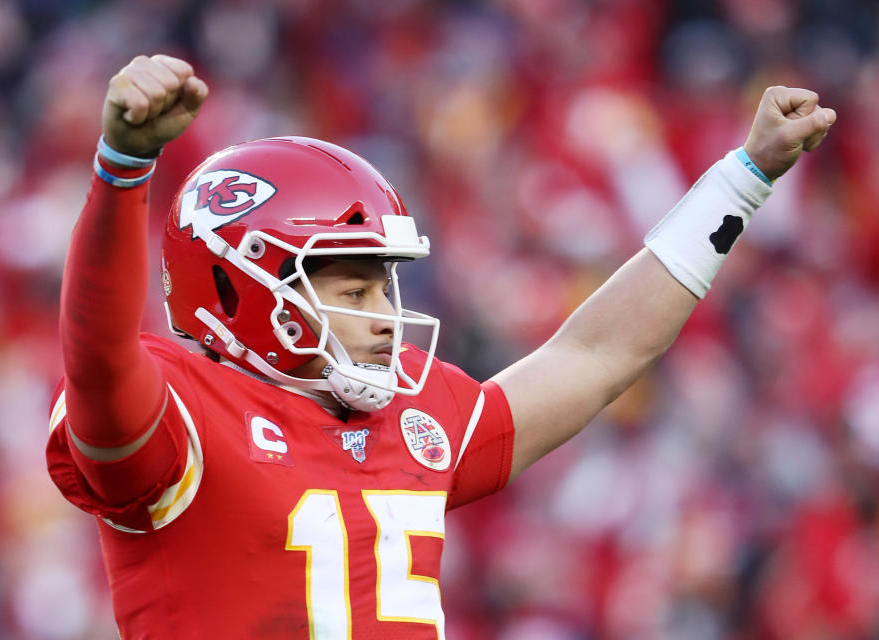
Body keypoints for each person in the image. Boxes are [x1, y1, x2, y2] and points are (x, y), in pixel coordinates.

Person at [46, 54, 836, 639]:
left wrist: (743, 179)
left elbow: (596, 357)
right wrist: (123, 170)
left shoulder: (417, 410)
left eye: (384, 287)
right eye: (353, 291)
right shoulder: (179, 416)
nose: (386, 315)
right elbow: (98, 357)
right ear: (239, 292)